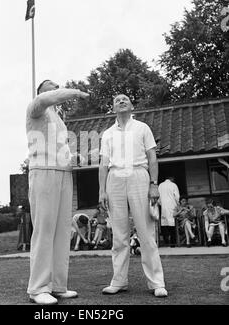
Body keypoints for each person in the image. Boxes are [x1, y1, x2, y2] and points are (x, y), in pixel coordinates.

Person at [26, 80, 89, 305]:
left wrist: (75, 159)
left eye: (57, 86)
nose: (55, 88)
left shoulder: (59, 120)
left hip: (64, 173)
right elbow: (46, 99)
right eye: (51, 86)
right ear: (41, 92)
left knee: (62, 230)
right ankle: (38, 288)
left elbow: (61, 150)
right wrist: (73, 92)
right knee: (44, 229)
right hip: (43, 172)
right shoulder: (36, 107)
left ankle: (58, 286)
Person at [99, 94, 167, 298]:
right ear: (113, 108)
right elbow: (103, 164)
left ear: (131, 105)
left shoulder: (142, 128)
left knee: (146, 233)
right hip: (115, 178)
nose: (121, 101)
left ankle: (156, 282)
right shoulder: (107, 133)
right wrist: (102, 190)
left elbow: (152, 157)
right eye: (117, 100)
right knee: (119, 235)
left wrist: (154, 184)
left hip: (139, 175)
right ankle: (119, 281)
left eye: (125, 99)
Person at [158, 177, 180, 247]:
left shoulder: (160, 185)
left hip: (164, 207)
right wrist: (177, 204)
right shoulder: (173, 185)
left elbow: (158, 197)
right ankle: (173, 243)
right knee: (172, 224)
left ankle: (166, 242)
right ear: (172, 180)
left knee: (164, 224)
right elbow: (177, 196)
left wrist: (161, 204)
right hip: (172, 206)